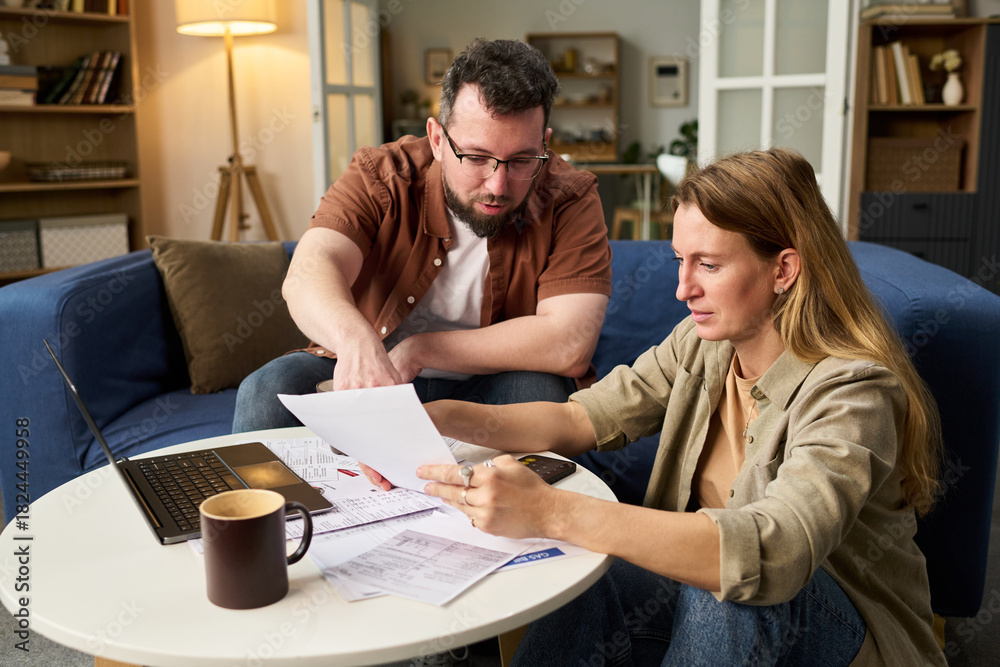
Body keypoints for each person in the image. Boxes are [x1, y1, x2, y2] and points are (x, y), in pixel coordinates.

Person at [415, 148, 947, 665]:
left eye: (708, 265)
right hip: (721, 621)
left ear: (783, 270)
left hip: (846, 637)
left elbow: (773, 551)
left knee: (731, 587)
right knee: (582, 571)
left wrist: (553, 512)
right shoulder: (703, 342)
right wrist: (445, 418)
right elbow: (583, 417)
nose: (682, 289)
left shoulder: (855, 392)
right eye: (680, 262)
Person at [232, 38, 611, 433]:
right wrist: (356, 341)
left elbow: (570, 342)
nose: (498, 185)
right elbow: (309, 271)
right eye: (476, 158)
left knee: (542, 397)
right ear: (437, 139)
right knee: (265, 390)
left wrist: (421, 349)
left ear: (544, 143)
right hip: (374, 369)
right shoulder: (381, 174)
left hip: (495, 381)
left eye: (521, 160)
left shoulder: (570, 195)